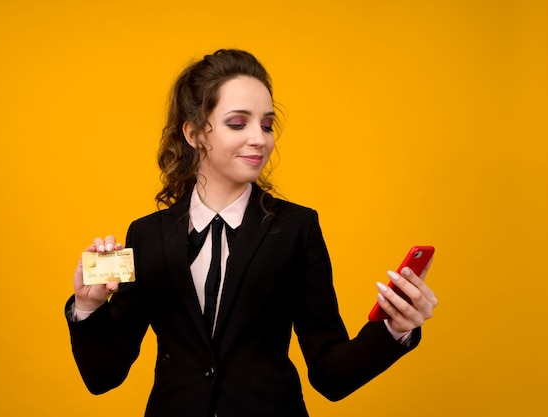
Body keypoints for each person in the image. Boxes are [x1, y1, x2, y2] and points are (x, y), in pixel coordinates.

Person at [64, 49, 438, 417]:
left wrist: (393, 329)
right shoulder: (146, 235)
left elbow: (330, 375)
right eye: (238, 123)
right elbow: (104, 376)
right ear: (194, 133)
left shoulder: (297, 228)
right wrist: (88, 307)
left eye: (267, 124)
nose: (260, 139)